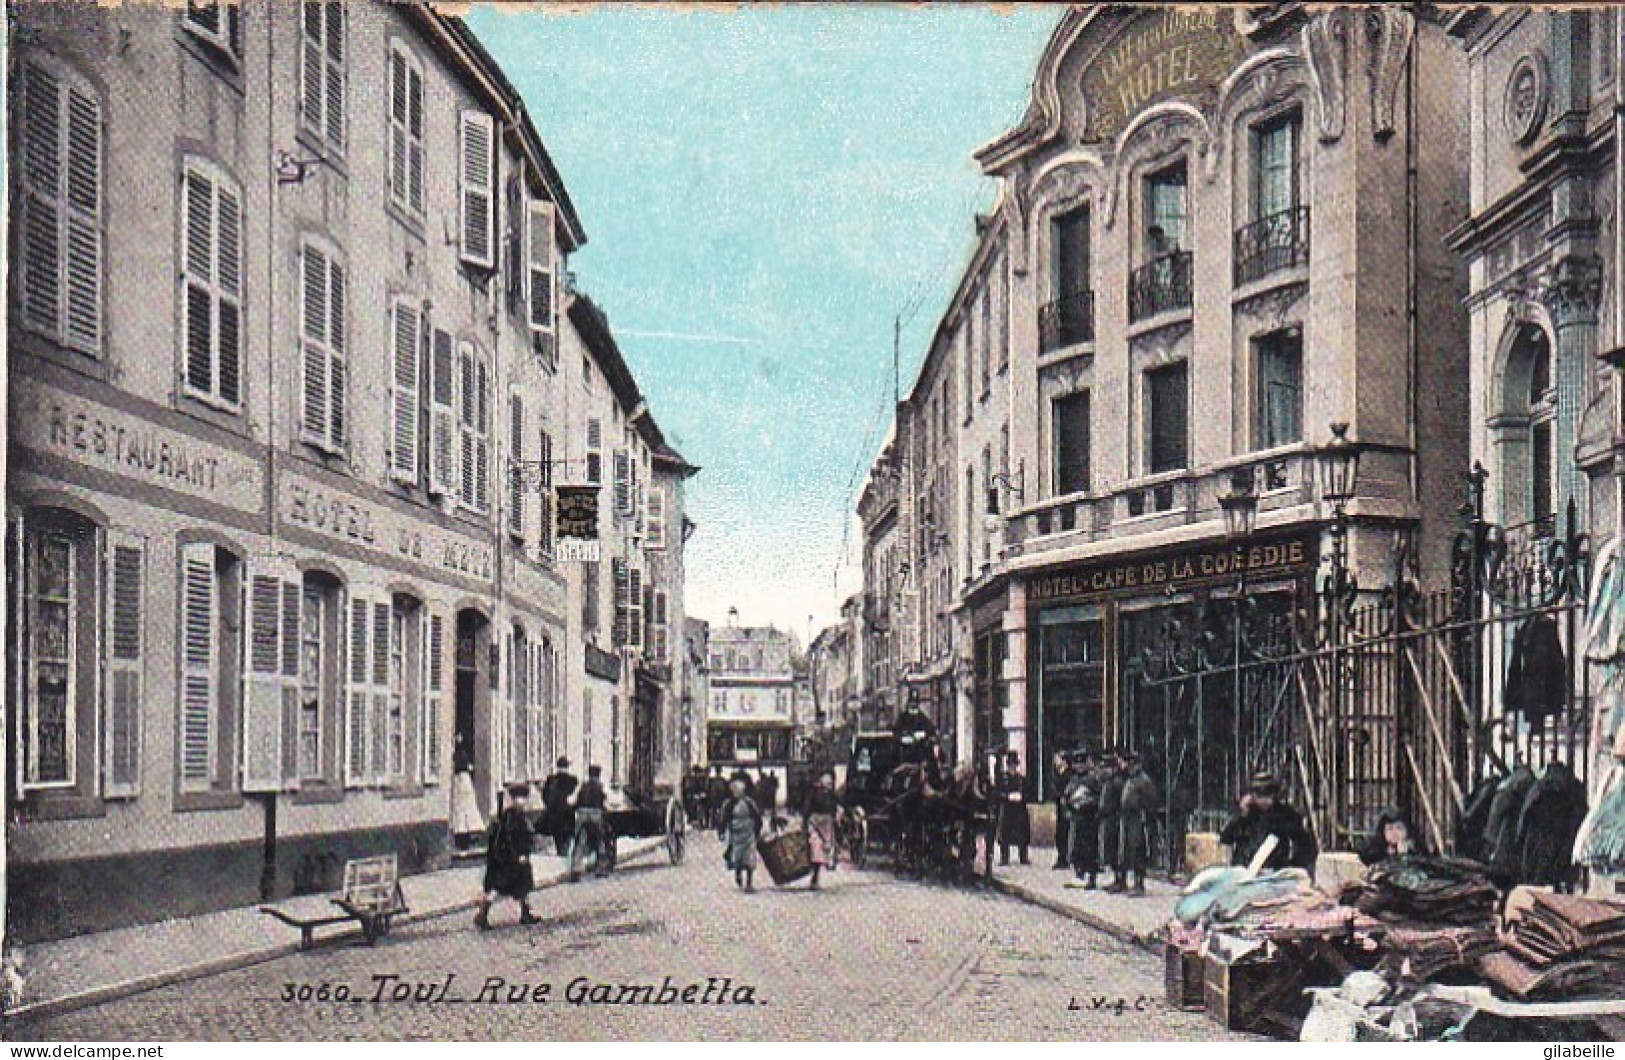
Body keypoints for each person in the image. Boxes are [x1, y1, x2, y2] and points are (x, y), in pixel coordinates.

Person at [1219, 771, 1318, 872]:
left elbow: (1305, 846)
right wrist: (1240, 814)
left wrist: (1291, 866)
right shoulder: (1245, 814)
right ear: (1252, 795)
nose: (1266, 801)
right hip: (1245, 871)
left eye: (1269, 795)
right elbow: (1226, 838)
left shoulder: (1285, 814)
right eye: (1259, 796)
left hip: (1274, 872)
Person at [476, 782, 539, 929]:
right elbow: (512, 838)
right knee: (501, 886)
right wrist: (518, 855)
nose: (523, 802)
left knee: (521, 885)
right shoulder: (514, 816)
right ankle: (483, 913)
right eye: (521, 798)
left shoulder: (509, 815)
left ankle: (525, 913)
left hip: (507, 857)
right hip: (511, 858)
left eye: (524, 798)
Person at [1117, 752, 1159, 895]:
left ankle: (1139, 883)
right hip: (1128, 818)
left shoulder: (1144, 781)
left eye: (1132, 764)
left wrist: (1145, 816)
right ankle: (1127, 882)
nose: (1130, 767)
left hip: (1139, 819)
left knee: (1138, 850)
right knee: (1127, 850)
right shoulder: (1131, 780)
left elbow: (1151, 801)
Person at [1062, 751, 1103, 889]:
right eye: (1077, 763)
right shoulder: (1073, 780)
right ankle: (1078, 874)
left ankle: (1091, 877)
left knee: (1090, 849)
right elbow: (1066, 797)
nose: (1079, 766)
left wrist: (1088, 803)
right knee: (1076, 848)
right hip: (1076, 818)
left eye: (1082, 763)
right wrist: (1068, 809)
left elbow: (1099, 798)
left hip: (1089, 819)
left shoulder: (1093, 780)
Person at [718, 778, 764, 892]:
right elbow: (723, 819)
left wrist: (757, 831)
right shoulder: (728, 804)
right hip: (736, 834)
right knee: (737, 857)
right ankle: (738, 874)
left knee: (750, 858)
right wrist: (722, 831)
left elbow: (757, 817)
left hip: (748, 833)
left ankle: (749, 883)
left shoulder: (749, 803)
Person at [571, 765, 610, 881]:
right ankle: (601, 868)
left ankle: (575, 869)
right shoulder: (601, 786)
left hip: (582, 814)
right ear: (598, 775)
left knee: (580, 841)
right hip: (595, 814)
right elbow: (606, 801)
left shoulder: (583, 786)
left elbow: (575, 800)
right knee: (600, 840)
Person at [802, 771, 841, 889]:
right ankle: (814, 877)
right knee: (815, 849)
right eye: (827, 783)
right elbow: (807, 808)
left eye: (830, 783)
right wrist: (805, 821)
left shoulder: (832, 795)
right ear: (821, 783)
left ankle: (817, 875)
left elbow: (837, 806)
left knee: (825, 849)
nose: (829, 785)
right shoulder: (814, 793)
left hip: (827, 824)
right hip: (815, 822)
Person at [1098, 751, 1127, 892]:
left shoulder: (1117, 783)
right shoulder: (1108, 783)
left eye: (1107, 767)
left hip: (1114, 819)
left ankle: (1120, 880)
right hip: (1107, 818)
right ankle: (1116, 878)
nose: (1104, 770)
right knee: (1109, 849)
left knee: (1115, 849)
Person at [996, 751, 1031, 866]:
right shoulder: (1002, 778)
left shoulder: (1021, 779)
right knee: (1005, 833)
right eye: (1010, 765)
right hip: (1007, 808)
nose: (1012, 767)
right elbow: (997, 793)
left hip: (1020, 809)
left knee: (1022, 833)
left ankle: (1023, 857)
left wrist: (1022, 797)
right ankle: (1004, 858)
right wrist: (1007, 796)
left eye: (1014, 765)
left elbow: (1028, 793)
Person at [539, 757, 579, 856]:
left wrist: (549, 806)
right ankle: (564, 854)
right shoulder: (573, 780)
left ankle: (560, 852)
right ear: (567, 767)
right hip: (567, 813)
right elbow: (575, 797)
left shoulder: (551, 779)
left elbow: (544, 796)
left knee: (557, 835)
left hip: (553, 813)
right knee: (568, 834)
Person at [1359, 808, 1423, 866]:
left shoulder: (1417, 851)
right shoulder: (1375, 853)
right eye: (1389, 828)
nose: (1394, 832)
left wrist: (1404, 856)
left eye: (1399, 828)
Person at [892, 692, 939, 767]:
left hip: (920, 755)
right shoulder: (902, 718)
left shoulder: (922, 718)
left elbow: (931, 731)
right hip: (905, 755)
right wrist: (903, 739)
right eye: (911, 704)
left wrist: (923, 735)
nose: (913, 706)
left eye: (915, 704)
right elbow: (896, 733)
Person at [1051, 750, 1073, 870]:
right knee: (1060, 833)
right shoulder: (1058, 774)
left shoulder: (1068, 775)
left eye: (1057, 759)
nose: (1055, 761)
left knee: (1064, 833)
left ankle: (1064, 858)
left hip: (1066, 808)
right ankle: (1061, 857)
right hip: (1060, 807)